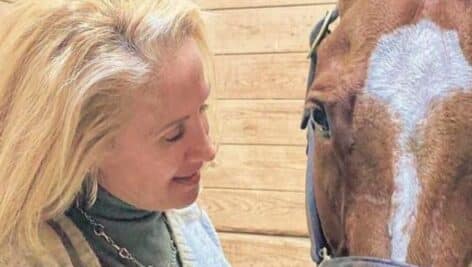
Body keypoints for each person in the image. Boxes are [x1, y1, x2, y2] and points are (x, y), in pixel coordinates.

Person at [0, 0, 230, 266]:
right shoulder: (28, 256)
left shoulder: (189, 220)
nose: (208, 150)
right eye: (173, 135)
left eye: (202, 109)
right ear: (85, 144)